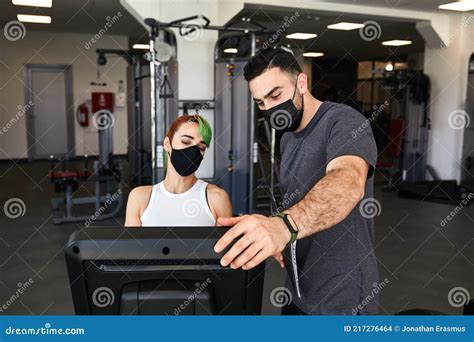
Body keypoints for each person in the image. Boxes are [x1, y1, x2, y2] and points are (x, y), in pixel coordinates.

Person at [214, 48, 379, 315]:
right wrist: (274, 228)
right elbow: (297, 196)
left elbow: (348, 184)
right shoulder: (286, 136)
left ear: (301, 83)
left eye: (275, 95)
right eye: (260, 102)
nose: (269, 108)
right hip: (299, 288)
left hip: (342, 296)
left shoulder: (344, 122)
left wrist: (283, 226)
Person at [125, 114, 232, 226]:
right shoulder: (139, 198)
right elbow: (131, 243)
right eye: (186, 142)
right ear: (167, 144)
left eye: (201, 148)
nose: (193, 152)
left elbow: (226, 243)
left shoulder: (217, 198)